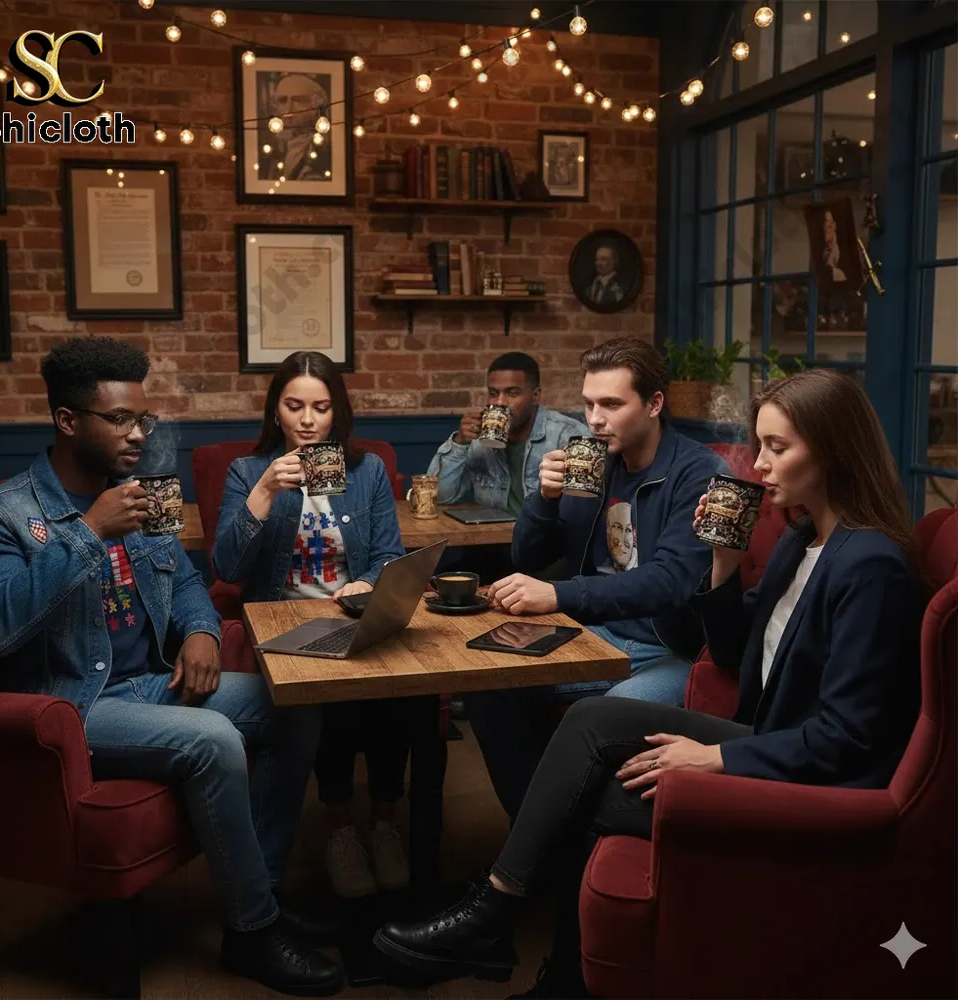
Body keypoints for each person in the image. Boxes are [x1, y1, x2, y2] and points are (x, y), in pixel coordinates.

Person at [373, 368, 925, 999]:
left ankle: (538, 952)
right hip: (768, 730)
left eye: (778, 448)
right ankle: (502, 908)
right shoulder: (806, 540)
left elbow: (848, 739)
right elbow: (736, 652)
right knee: (587, 724)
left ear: (833, 449)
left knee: (596, 794)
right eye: (761, 445)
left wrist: (718, 756)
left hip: (809, 776)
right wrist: (723, 564)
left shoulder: (870, 564)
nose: (760, 465)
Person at [0, 337, 342, 997]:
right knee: (216, 738)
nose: (139, 433)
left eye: (143, 418)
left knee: (296, 702)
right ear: (68, 421)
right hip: (73, 703)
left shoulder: (145, 494)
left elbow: (185, 581)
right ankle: (253, 931)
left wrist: (197, 631)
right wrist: (88, 532)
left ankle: (264, 891)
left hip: (149, 684)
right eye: (119, 420)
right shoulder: (5, 516)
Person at [467, 337, 725, 819]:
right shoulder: (595, 461)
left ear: (653, 404)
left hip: (671, 649)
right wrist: (543, 499)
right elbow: (526, 556)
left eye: (611, 404)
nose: (594, 419)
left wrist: (559, 594)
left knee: (602, 718)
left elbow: (670, 583)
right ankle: (539, 843)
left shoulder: (698, 473)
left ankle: (544, 852)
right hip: (594, 635)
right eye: (588, 403)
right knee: (488, 687)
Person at [212, 350, 415, 901]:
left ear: (336, 412)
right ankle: (339, 830)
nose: (307, 420)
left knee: (401, 688)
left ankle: (387, 824)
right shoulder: (248, 472)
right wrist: (263, 495)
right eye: (294, 406)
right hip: (285, 624)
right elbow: (228, 569)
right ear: (275, 410)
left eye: (320, 408)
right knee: (328, 695)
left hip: (352, 615)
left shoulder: (367, 469)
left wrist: (366, 584)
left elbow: (387, 555)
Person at [428, 352, 587, 517]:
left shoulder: (568, 436)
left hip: (547, 541)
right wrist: (459, 443)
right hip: (491, 538)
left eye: (512, 393)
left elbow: (583, 511)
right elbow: (440, 496)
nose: (500, 402)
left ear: (535, 396)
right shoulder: (479, 440)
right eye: (493, 393)